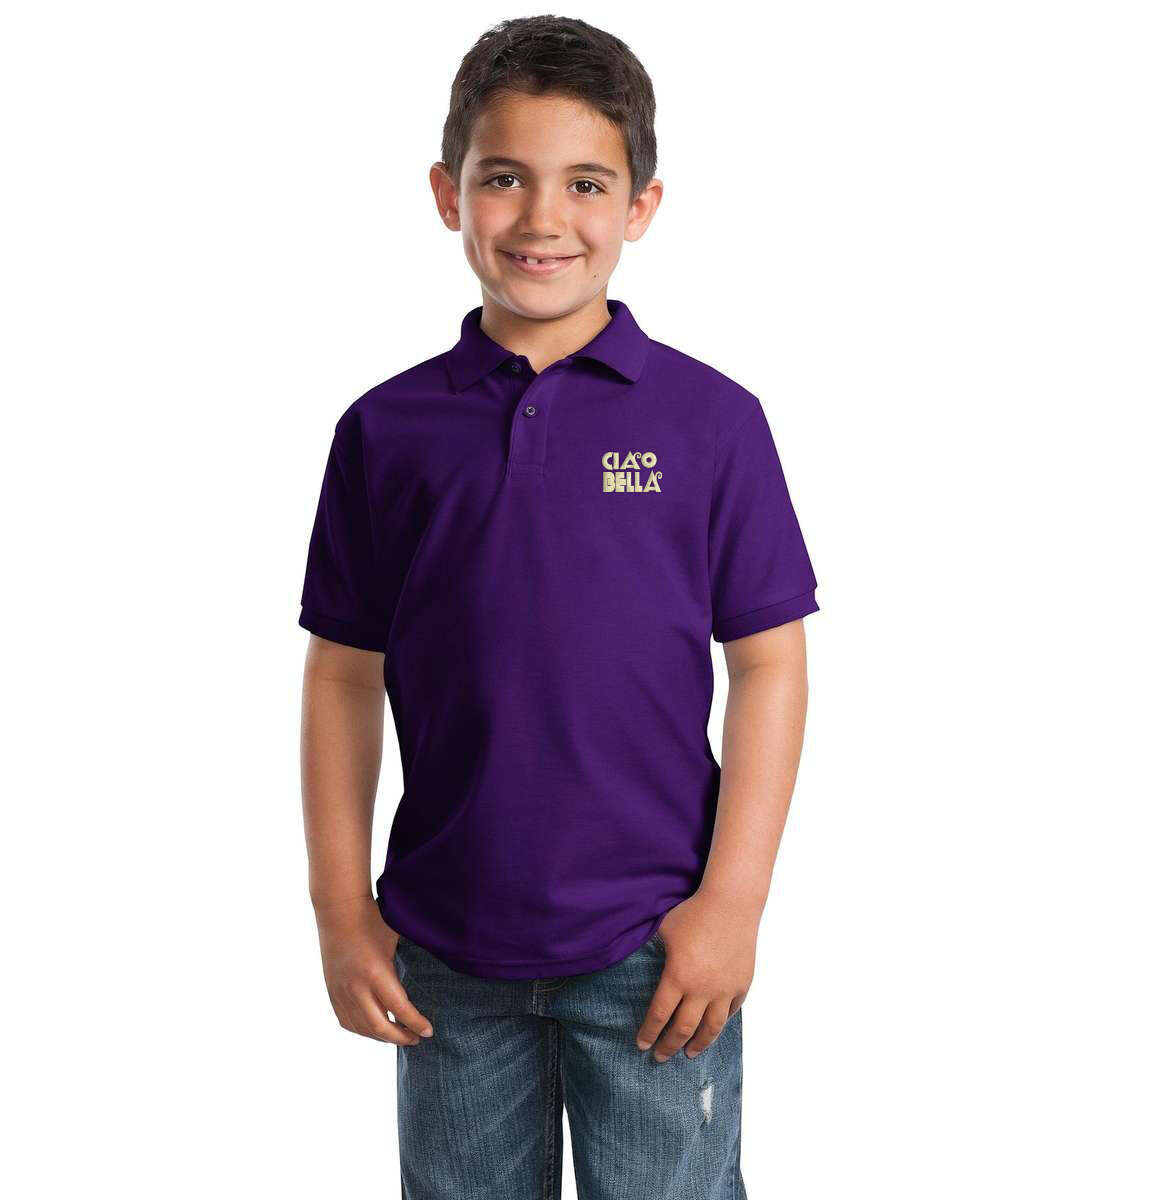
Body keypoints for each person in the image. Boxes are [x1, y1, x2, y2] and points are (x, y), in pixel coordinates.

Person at [298, 15, 818, 1199]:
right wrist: (339, 908)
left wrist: (732, 904)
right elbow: (341, 674)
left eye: (585, 183)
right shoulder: (386, 431)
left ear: (641, 205)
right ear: (448, 194)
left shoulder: (712, 422)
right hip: (443, 946)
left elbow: (770, 664)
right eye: (504, 178)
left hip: (656, 945)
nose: (543, 217)